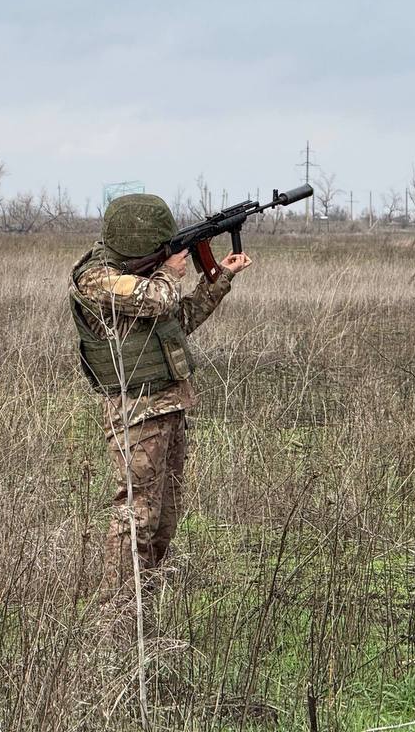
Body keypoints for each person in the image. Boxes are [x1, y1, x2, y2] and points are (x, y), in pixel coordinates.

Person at [69, 193, 252, 605]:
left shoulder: (147, 275)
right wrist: (170, 270)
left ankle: (143, 602)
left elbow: (179, 319)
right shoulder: (96, 277)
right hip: (135, 409)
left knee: (164, 516)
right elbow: (160, 298)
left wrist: (219, 277)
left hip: (169, 404)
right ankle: (116, 617)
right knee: (136, 514)